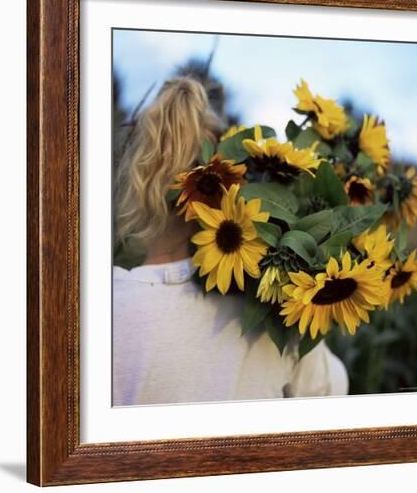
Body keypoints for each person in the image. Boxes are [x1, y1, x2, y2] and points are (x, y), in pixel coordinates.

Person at [112, 76, 348, 406]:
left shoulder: (98, 312)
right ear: (229, 185)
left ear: (138, 181)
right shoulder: (274, 312)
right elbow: (334, 389)